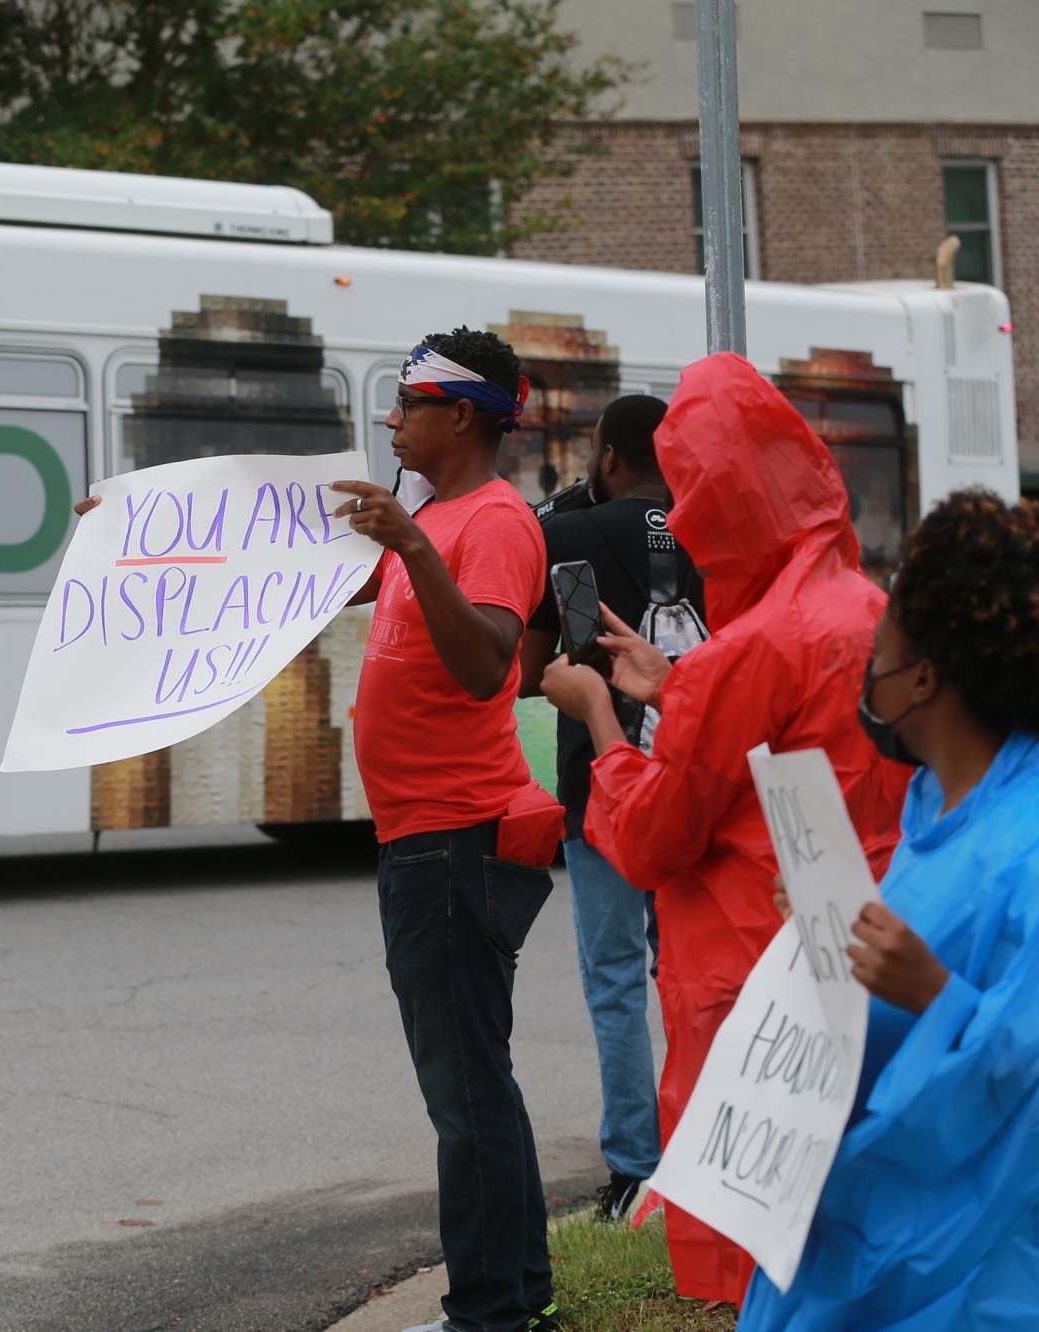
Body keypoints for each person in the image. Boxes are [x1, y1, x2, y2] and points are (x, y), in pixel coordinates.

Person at [538, 352, 909, 1307]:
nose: (686, 516)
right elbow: (788, 755)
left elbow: (655, 835)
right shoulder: (862, 609)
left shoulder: (747, 650)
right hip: (850, 955)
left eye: (697, 489)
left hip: (749, 986)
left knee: (769, 1268)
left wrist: (600, 717)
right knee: (852, 1233)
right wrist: (676, 690)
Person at [737, 489, 1039, 1328]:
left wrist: (928, 990)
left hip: (996, 1269)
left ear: (923, 677)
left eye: (876, 649)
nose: (864, 672)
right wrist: (828, 931)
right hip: (875, 1228)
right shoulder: (934, 815)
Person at [329, 328, 566, 1332]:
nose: (390, 419)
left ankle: (487, 1317)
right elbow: (289, 593)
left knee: (464, 1095)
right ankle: (513, 1300)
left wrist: (411, 542)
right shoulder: (437, 519)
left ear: (459, 414)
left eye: (406, 401)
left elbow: (489, 670)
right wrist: (137, 534)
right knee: (474, 1087)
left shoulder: (491, 523)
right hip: (425, 837)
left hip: (454, 839)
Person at [518, 394, 701, 1221]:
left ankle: (637, 1168)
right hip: (701, 779)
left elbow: (538, 666)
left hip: (605, 780)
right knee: (695, 969)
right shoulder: (710, 528)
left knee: (617, 977)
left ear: (610, 453)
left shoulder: (565, 534)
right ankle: (710, 1148)